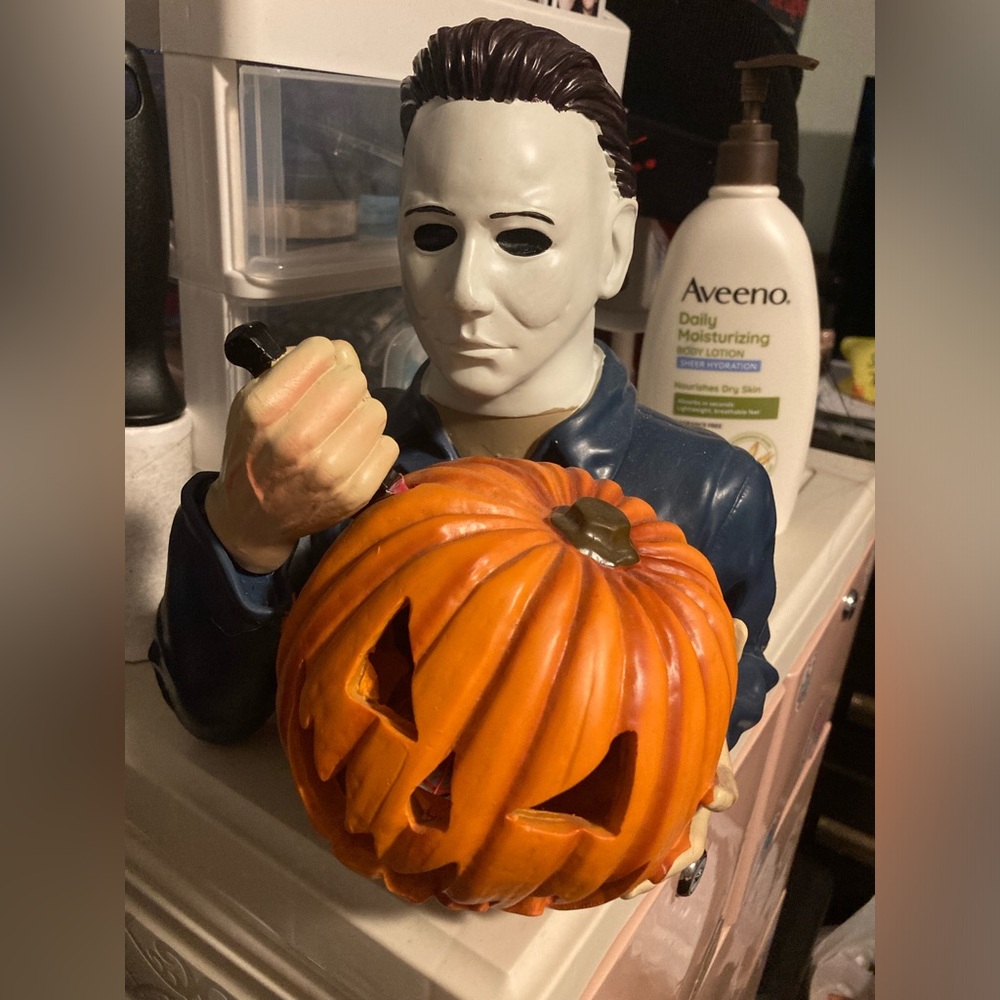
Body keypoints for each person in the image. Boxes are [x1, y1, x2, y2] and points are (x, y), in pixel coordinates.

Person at [151, 17, 775, 879]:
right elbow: (212, 713)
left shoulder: (708, 493)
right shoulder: (339, 464)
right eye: (433, 233)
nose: (467, 291)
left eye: (523, 238)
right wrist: (244, 530)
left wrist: (696, 740)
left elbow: (741, 665)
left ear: (614, 248)